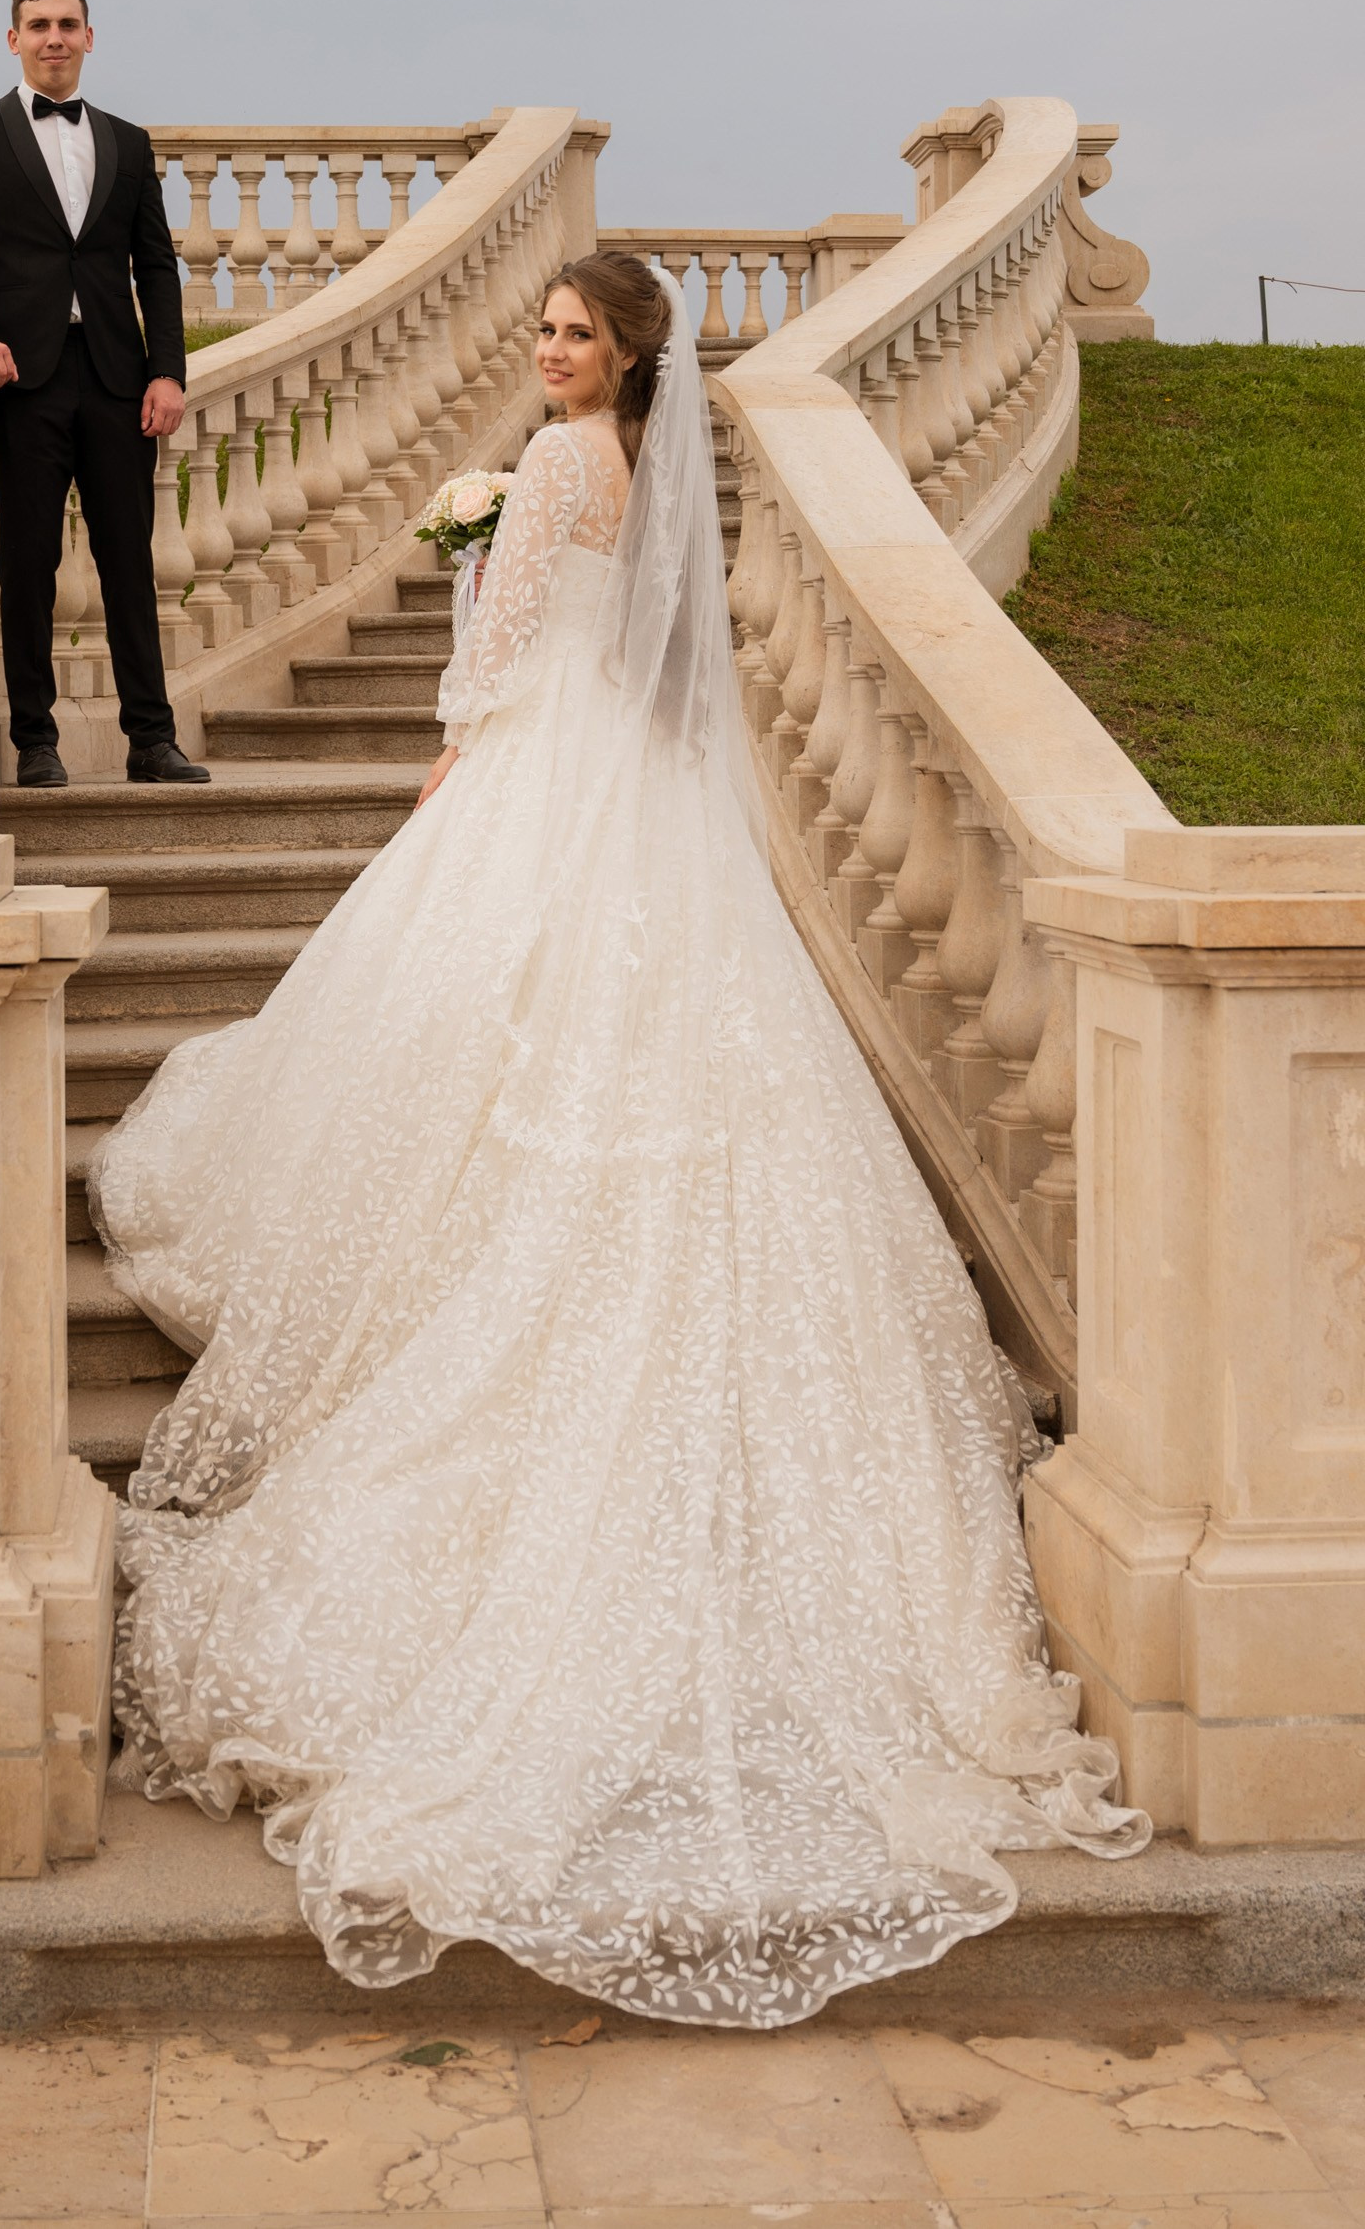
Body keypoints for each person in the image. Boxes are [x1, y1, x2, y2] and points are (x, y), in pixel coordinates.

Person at [88, 252, 1146, 2029]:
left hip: (540, 776)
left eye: (574, 332)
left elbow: (497, 659)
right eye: (547, 330)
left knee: (461, 1040)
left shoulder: (565, 466)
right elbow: (659, 660)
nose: (550, 348)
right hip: (642, 790)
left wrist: (451, 735)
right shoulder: (643, 472)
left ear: (625, 351)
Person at [0, 0, 209, 786]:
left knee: (128, 563)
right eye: (38, 25)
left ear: (89, 37)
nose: (53, 38)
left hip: (118, 378)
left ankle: (152, 740)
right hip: (27, 381)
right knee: (28, 563)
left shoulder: (127, 141)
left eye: (67, 25)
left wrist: (167, 372)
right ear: (13, 40)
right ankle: (35, 744)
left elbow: (155, 267)